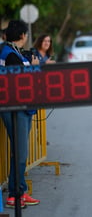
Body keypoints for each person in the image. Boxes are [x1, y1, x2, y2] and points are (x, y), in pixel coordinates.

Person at [0, 20, 40, 209]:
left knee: (20, 152)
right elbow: (20, 84)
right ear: (23, 35)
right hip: (15, 110)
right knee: (21, 153)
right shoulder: (10, 55)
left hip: (20, 108)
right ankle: (14, 195)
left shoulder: (11, 52)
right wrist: (33, 68)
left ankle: (21, 191)